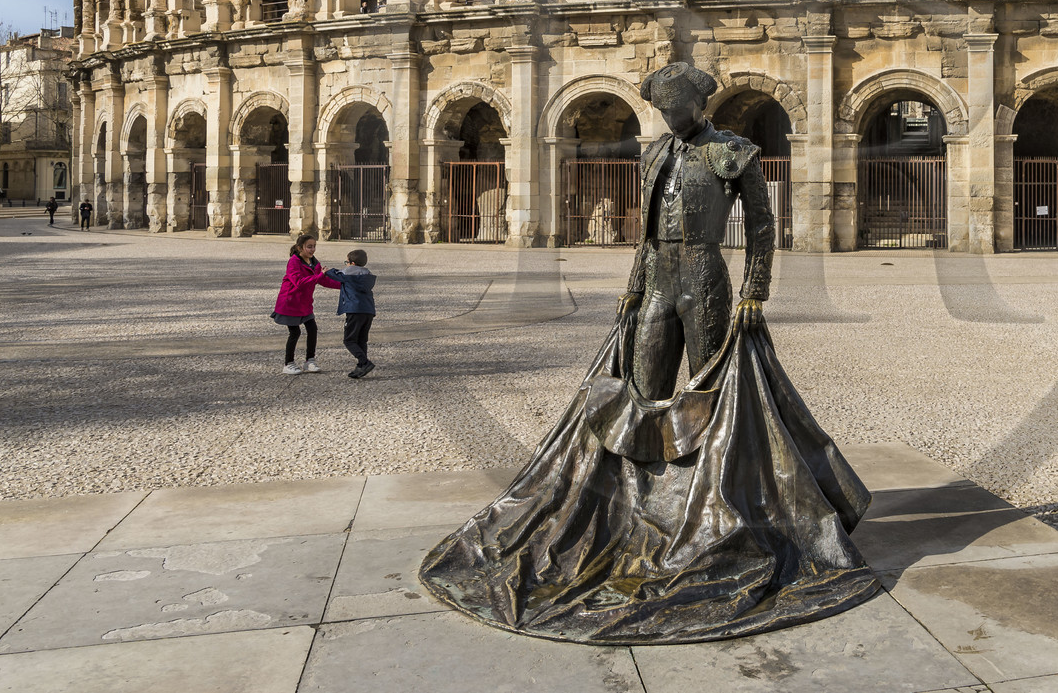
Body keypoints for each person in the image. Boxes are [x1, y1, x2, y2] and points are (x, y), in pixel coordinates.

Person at [419, 61, 876, 644]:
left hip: (707, 276)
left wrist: (755, 290)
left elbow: (763, 226)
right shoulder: (656, 152)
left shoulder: (731, 151)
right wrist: (634, 287)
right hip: (660, 279)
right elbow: (650, 233)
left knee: (708, 393)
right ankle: (638, 502)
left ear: (696, 104)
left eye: (676, 107)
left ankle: (712, 497)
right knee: (641, 391)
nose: (669, 116)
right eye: (662, 107)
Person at [270, 233, 341, 375]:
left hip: (305, 304)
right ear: (300, 247)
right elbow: (299, 283)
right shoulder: (294, 262)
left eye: (314, 246)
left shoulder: (314, 262)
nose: (312, 249)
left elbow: (323, 281)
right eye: (309, 247)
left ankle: (310, 360)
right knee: (295, 332)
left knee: (312, 329)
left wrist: (343, 285)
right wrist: (319, 275)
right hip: (290, 303)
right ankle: (288, 363)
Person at [324, 248, 377, 379]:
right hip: (368, 311)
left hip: (355, 310)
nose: (345, 265)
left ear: (352, 263)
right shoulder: (367, 275)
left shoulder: (349, 273)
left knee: (349, 340)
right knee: (361, 340)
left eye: (346, 262)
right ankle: (361, 366)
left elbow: (335, 274)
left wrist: (326, 271)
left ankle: (365, 362)